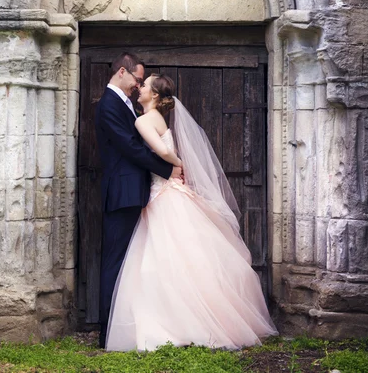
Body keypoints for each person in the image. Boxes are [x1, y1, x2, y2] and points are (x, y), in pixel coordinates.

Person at [106, 74, 278, 352]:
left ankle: (174, 323)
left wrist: (176, 163)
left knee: (161, 260)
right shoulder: (160, 119)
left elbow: (161, 150)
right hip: (168, 190)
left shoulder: (142, 120)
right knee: (182, 257)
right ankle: (186, 320)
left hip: (163, 193)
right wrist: (177, 164)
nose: (140, 89)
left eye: (145, 86)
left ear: (155, 96)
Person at [95, 54, 183, 349]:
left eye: (141, 83)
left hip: (135, 192)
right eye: (136, 79)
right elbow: (131, 148)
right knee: (115, 261)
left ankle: (131, 325)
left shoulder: (126, 105)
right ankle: (108, 331)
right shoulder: (109, 105)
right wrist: (168, 170)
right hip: (123, 193)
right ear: (123, 72)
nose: (137, 85)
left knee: (130, 263)